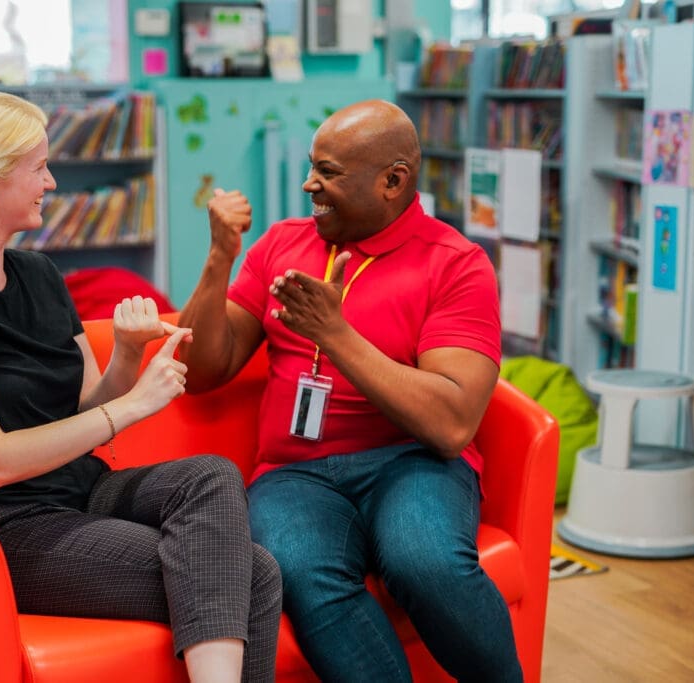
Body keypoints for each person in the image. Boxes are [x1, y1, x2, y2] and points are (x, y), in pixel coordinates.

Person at [0, 91, 281, 683]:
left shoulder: (39, 275)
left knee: (212, 475)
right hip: (12, 528)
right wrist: (135, 407)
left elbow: (86, 405)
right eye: (38, 167)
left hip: (83, 491)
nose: (52, 181)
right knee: (253, 574)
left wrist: (126, 353)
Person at [177, 99, 523, 682]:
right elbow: (204, 371)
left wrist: (335, 335)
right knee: (304, 572)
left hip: (413, 461)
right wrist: (219, 258)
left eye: (330, 172)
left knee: (425, 561)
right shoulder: (282, 245)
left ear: (393, 181)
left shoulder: (457, 264)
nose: (310, 183)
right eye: (314, 166)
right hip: (293, 475)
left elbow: (451, 425)